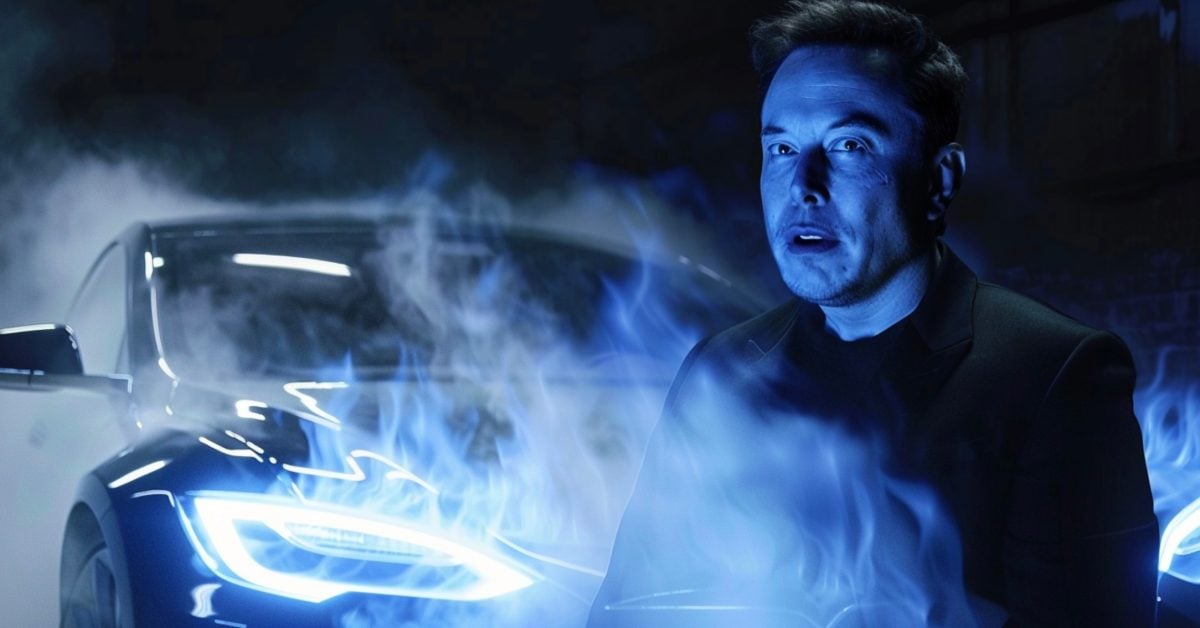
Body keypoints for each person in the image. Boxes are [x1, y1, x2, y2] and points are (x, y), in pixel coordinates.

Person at [588, 1, 1159, 626]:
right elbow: (627, 609)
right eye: (781, 148)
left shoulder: (1055, 375)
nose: (803, 185)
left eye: (850, 145)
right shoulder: (720, 369)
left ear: (940, 180)